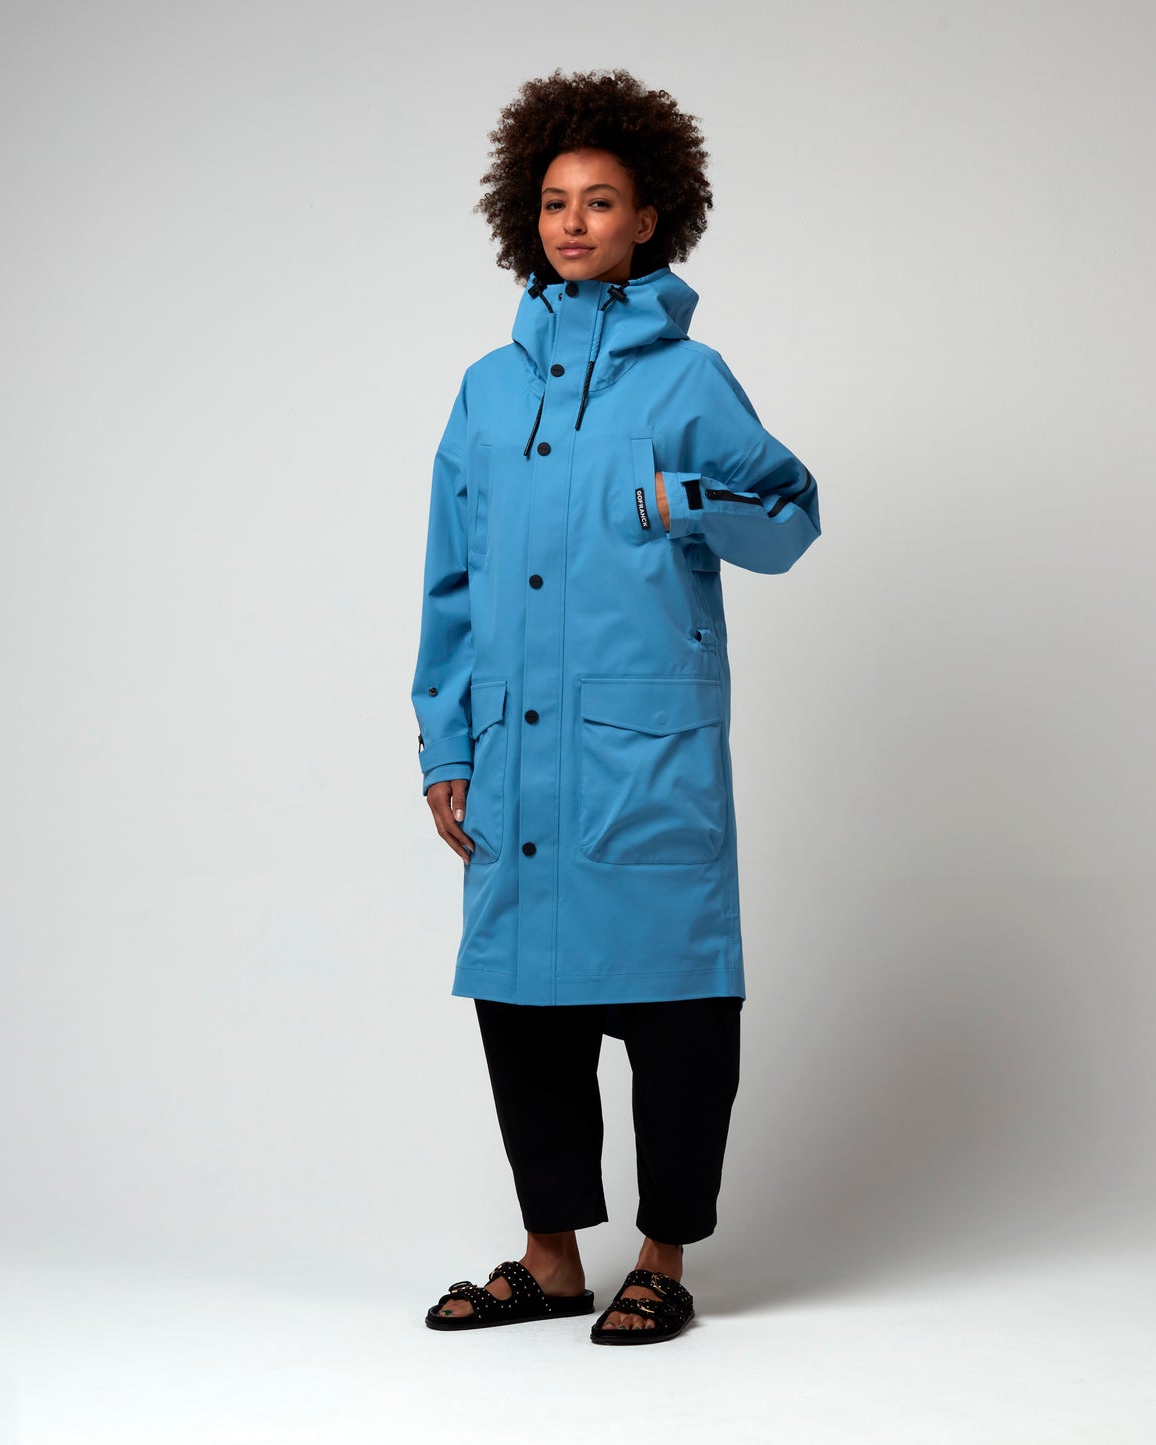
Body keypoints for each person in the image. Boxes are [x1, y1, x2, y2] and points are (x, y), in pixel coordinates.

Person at [412, 68, 821, 1344]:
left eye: (599, 201)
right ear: (523, 218)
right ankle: (550, 1260)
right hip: (513, 752)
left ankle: (662, 1258)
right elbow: (452, 579)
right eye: (552, 202)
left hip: (645, 758)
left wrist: (683, 502)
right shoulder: (486, 390)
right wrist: (444, 740)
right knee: (523, 1007)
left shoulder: (688, 382)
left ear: (650, 218)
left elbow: (791, 514)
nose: (573, 222)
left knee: (674, 1008)